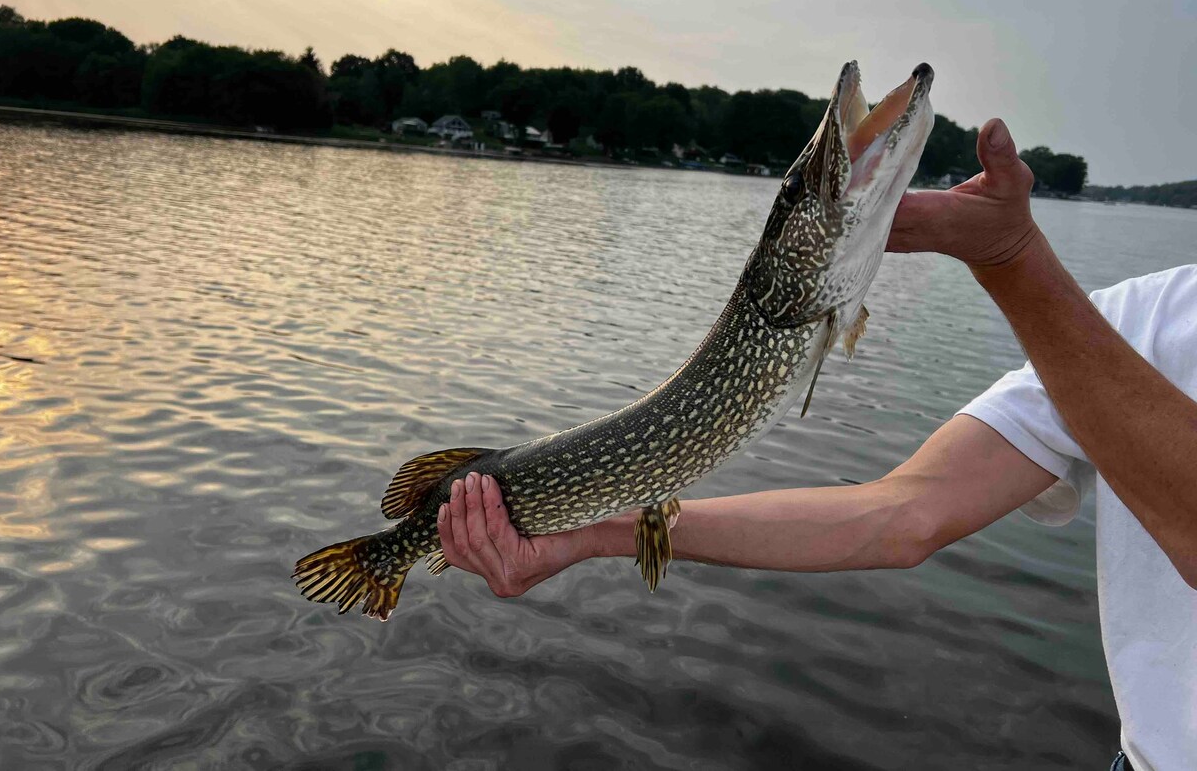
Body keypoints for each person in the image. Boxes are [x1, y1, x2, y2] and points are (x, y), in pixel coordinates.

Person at [434, 119, 1196, 771]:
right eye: (805, 199)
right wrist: (595, 534)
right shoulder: (1135, 321)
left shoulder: (1084, 320)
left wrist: (1012, 257)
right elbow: (901, 515)